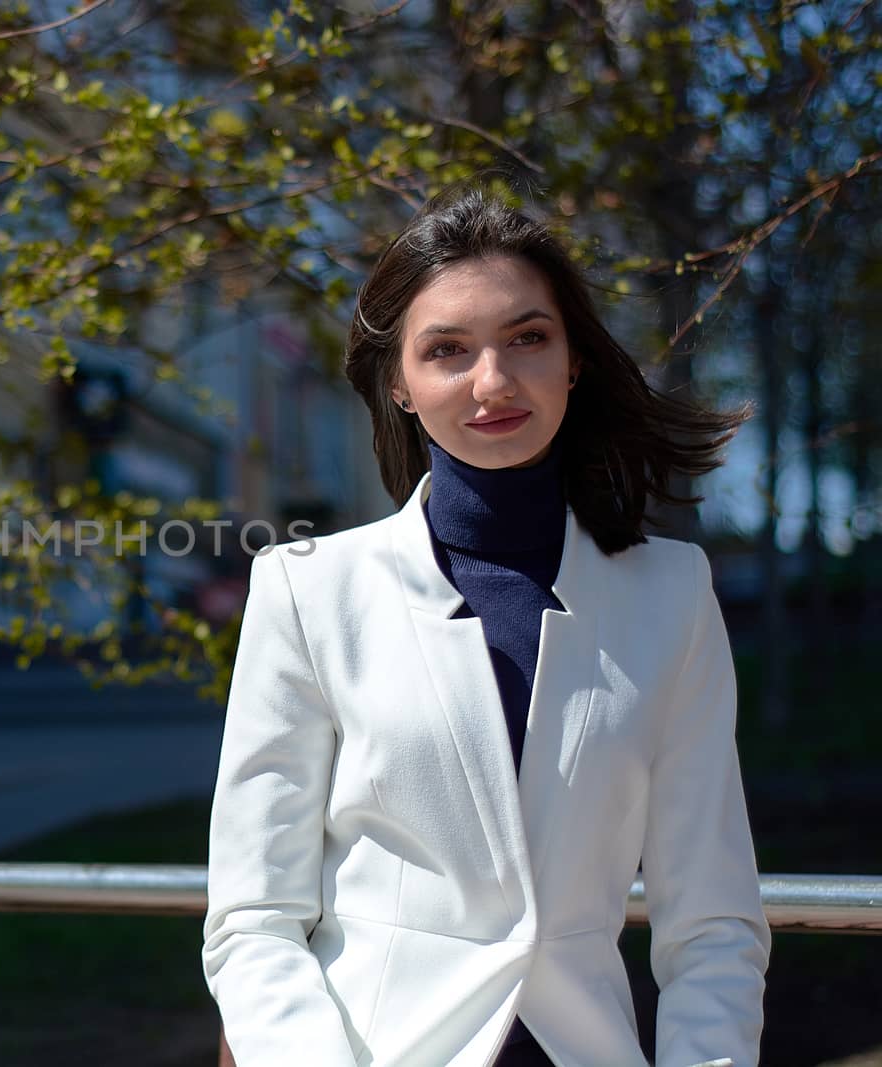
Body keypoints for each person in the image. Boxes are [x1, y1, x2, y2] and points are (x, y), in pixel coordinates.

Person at [201, 184, 772, 1067]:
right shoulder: (308, 592)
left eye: (527, 338)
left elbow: (714, 922)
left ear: (573, 357)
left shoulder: (673, 592)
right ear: (399, 381)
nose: (493, 382)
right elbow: (254, 919)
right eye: (448, 350)